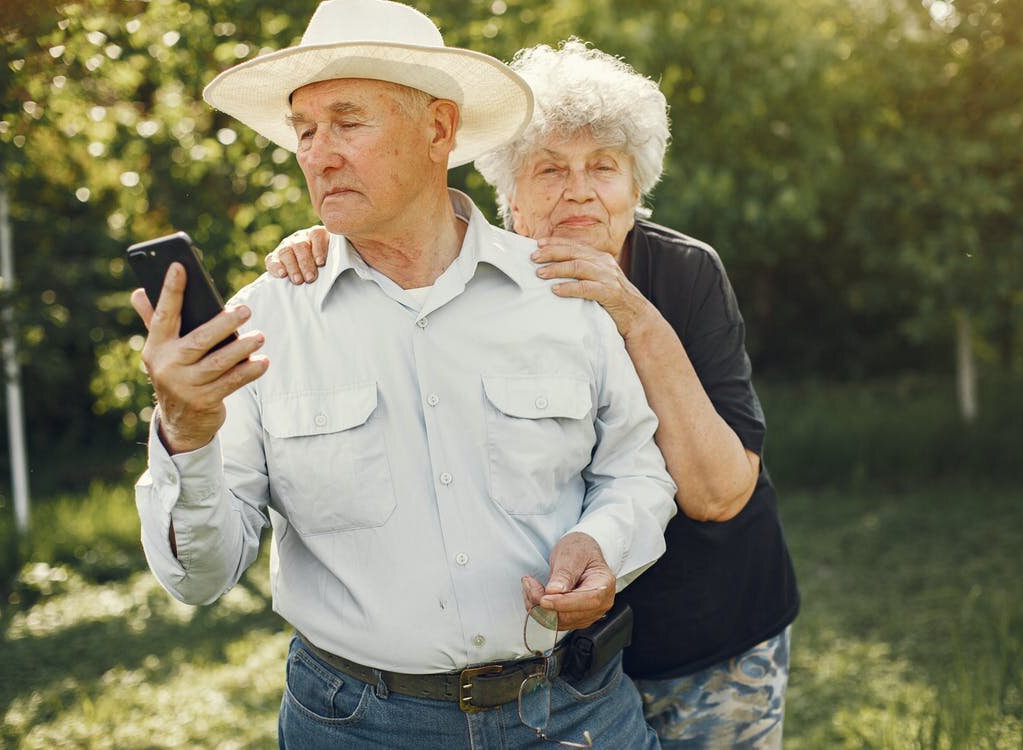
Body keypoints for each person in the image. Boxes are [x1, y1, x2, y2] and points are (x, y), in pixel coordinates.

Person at [130, 3, 677, 748]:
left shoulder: (563, 294)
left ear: (438, 131)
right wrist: (186, 435)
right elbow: (199, 579)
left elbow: (636, 470)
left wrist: (602, 544)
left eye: (347, 122)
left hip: (575, 713)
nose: (317, 154)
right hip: (353, 726)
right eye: (305, 130)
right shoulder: (263, 326)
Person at [269, 39, 800, 749]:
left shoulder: (683, 273)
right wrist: (338, 235)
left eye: (603, 168)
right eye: (548, 168)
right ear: (509, 194)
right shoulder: (482, 280)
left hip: (704, 634)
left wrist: (629, 307)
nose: (577, 190)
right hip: (560, 670)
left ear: (636, 187)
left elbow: (718, 493)